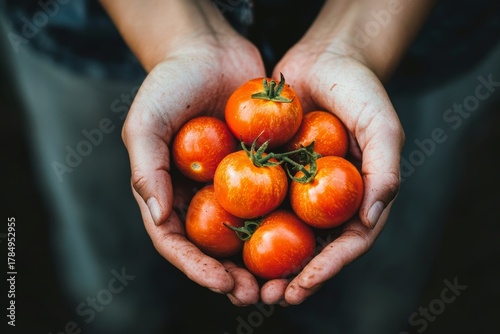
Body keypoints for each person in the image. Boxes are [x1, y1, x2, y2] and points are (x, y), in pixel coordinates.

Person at [2, 0, 499, 333]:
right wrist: (176, 37)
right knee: (113, 260)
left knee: (378, 282)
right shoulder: (262, 161)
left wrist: (357, 43)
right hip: (88, 30)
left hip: (421, 38)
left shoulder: (278, 159)